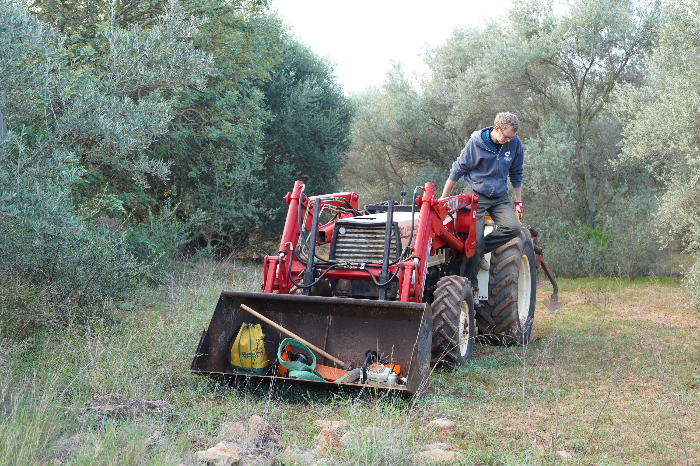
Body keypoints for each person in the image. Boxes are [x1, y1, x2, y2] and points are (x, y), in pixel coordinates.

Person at [440, 112, 523, 297]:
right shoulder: (477, 143)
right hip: (476, 195)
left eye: (512, 137)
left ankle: (478, 253)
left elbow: (516, 172)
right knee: (474, 243)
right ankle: (471, 286)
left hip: (499, 196)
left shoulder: (514, 143)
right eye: (506, 137)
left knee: (513, 228)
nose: (509, 141)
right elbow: (458, 169)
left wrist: (518, 201)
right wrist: (443, 199)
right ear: (497, 129)